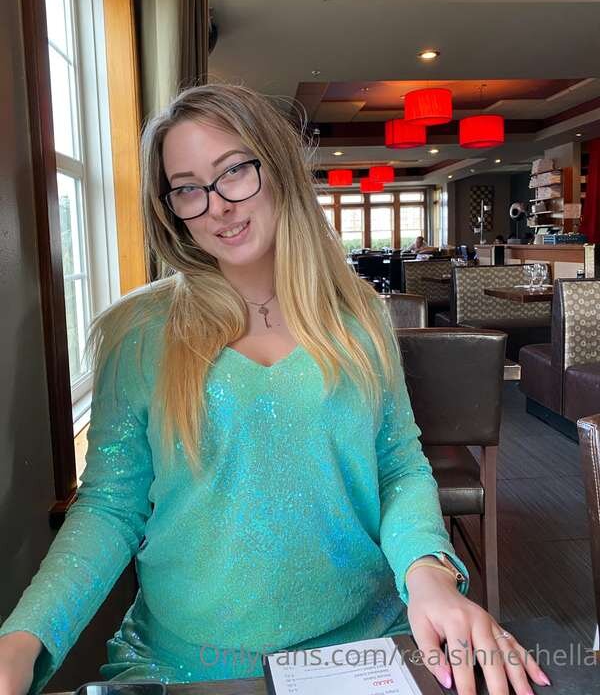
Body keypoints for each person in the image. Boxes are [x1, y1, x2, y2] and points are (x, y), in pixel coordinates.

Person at [0, 85, 550, 695]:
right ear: (171, 207)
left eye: (234, 170)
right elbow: (110, 506)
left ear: (279, 167)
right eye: (188, 187)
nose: (217, 206)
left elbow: (397, 465)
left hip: (364, 648)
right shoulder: (138, 333)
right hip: (186, 663)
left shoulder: (359, 313)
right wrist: (24, 636)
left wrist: (428, 573)